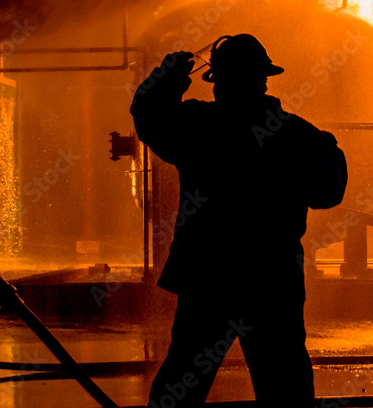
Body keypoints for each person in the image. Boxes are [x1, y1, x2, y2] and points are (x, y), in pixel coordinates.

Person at [132, 34, 347, 408]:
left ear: (218, 81)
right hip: (272, 280)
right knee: (285, 390)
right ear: (263, 80)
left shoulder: (199, 126)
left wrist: (168, 79)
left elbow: (149, 115)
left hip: (208, 279)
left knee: (182, 384)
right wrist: (326, 147)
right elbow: (328, 193)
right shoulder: (295, 134)